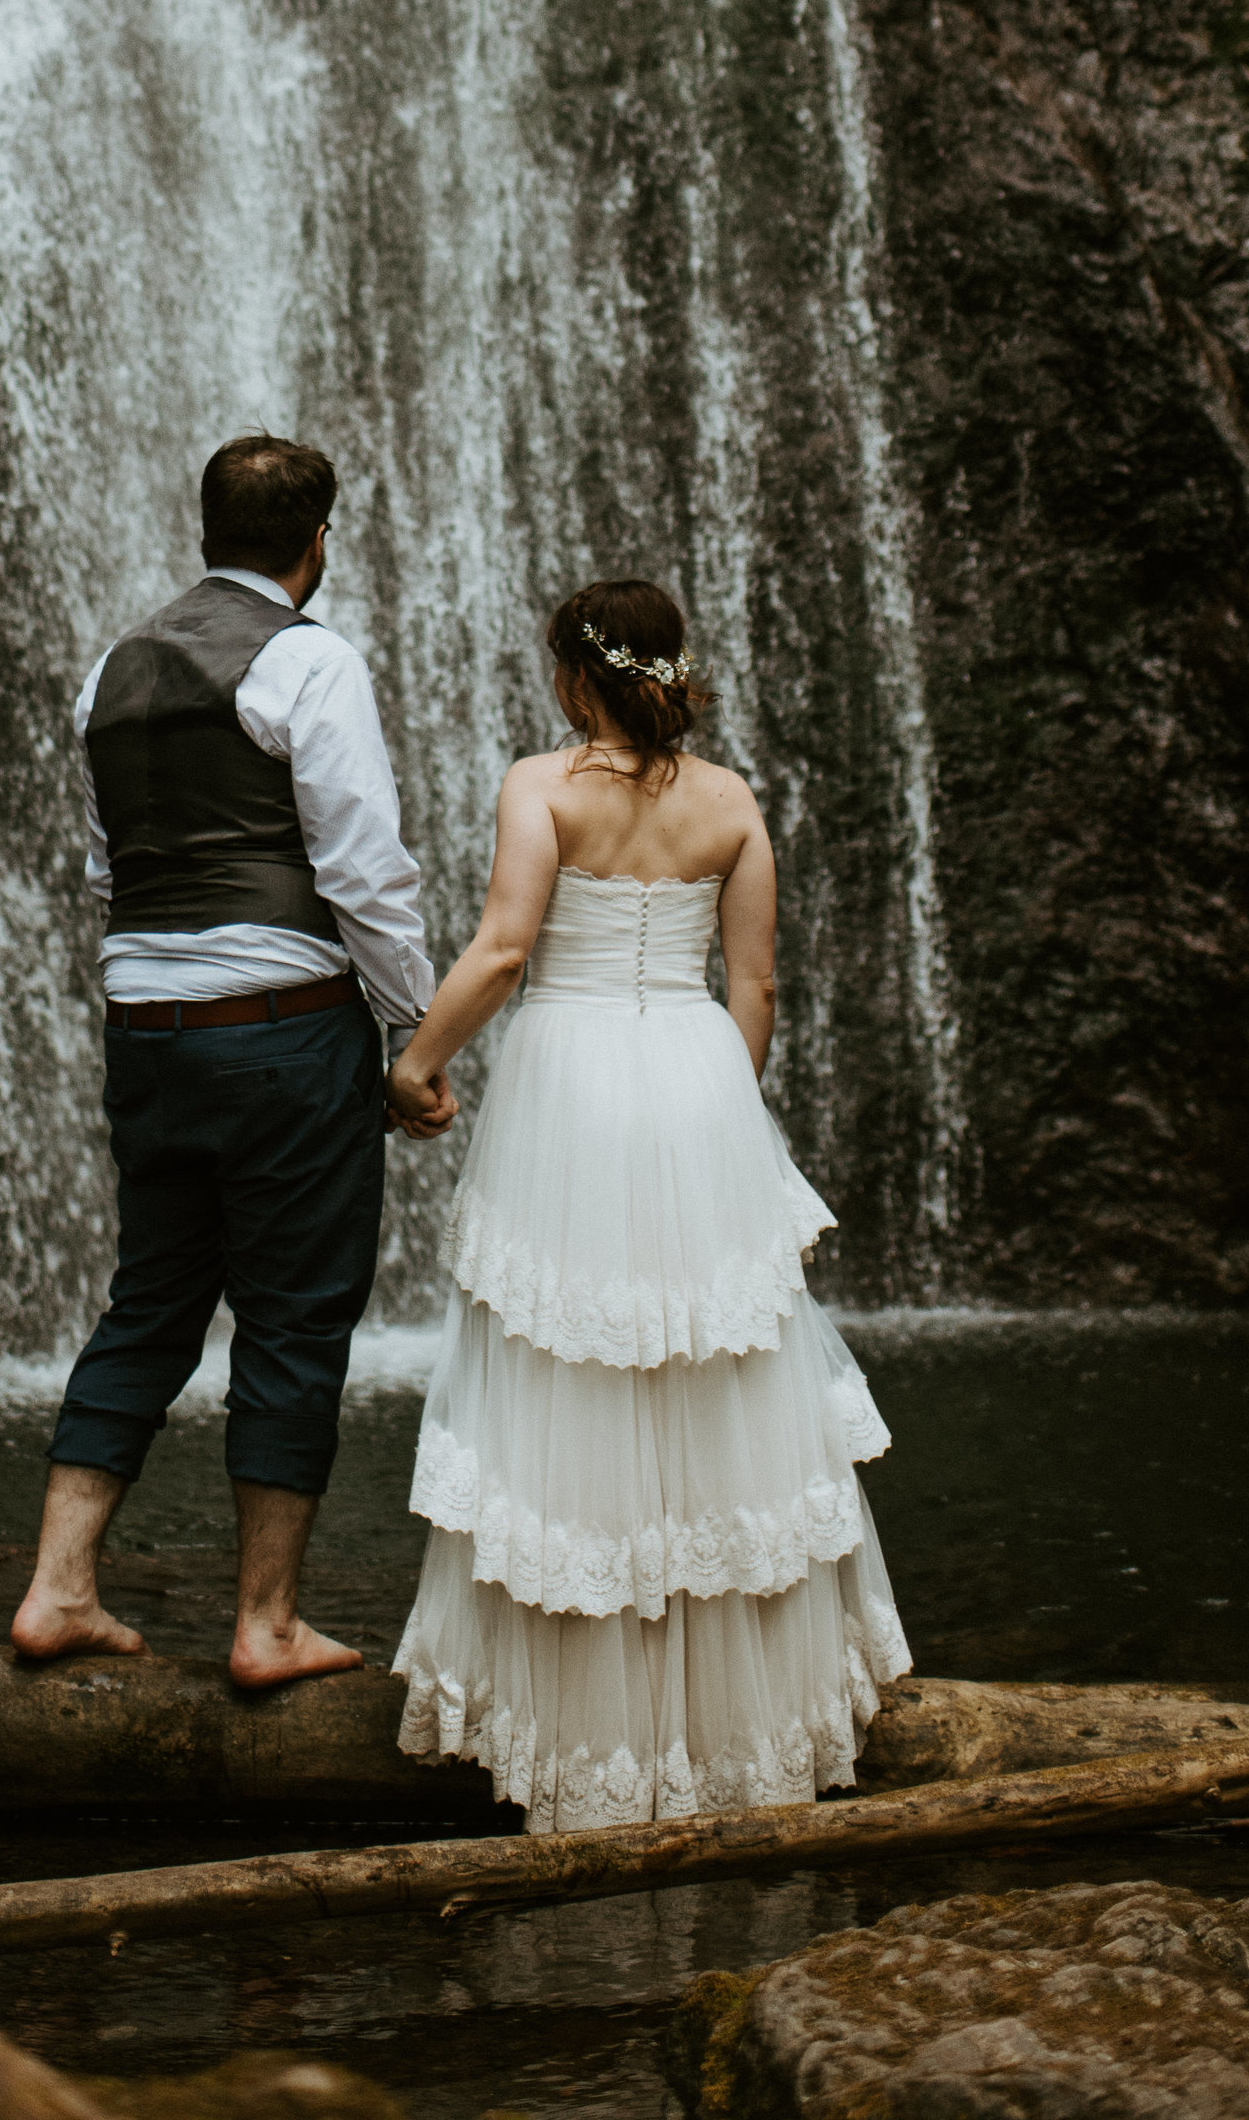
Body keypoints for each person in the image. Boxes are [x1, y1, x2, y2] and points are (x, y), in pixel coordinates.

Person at [385, 580, 911, 1829]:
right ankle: (739, 1723)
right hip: (695, 1077)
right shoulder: (731, 801)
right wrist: (721, 1110)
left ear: (577, 677)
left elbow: (507, 950)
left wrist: (415, 1063)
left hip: (569, 1084)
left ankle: (580, 1726)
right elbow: (757, 982)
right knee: (714, 1376)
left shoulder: (542, 785)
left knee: (570, 1372)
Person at [10, 433, 450, 1688]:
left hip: (145, 1028)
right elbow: (362, 869)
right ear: (316, 544)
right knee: (295, 1316)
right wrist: (413, 1030)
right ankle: (265, 1624)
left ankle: (56, 1589)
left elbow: (109, 869)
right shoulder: (309, 661)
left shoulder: (113, 667)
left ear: (206, 529)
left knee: (149, 1299)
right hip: (280, 1029)